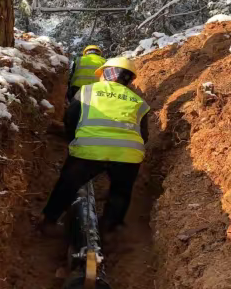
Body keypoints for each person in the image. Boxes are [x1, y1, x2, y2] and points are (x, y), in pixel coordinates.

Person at [40, 57, 150, 236]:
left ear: (104, 74)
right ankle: (111, 229)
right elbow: (143, 136)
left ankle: (49, 221)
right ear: (130, 79)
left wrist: (74, 140)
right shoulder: (139, 102)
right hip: (128, 155)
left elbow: (71, 118)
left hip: (88, 150)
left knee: (67, 184)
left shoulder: (86, 91)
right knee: (120, 192)